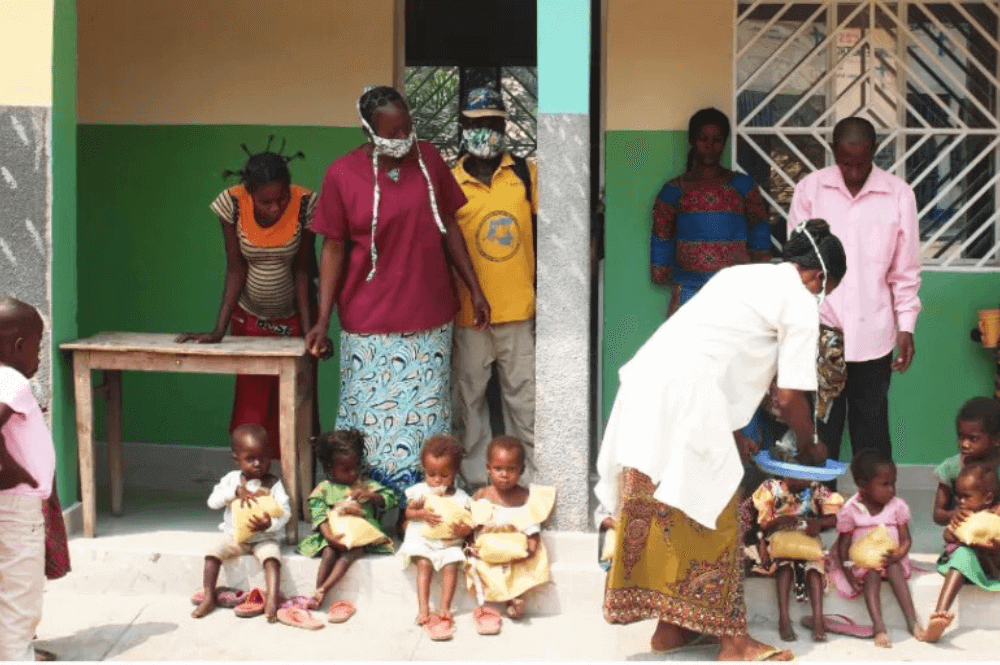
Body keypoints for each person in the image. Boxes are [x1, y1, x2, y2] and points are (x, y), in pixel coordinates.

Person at [595, 219, 847, 661]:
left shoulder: (742, 274)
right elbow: (789, 398)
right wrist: (812, 446)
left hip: (648, 387)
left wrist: (732, 432)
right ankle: (734, 642)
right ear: (819, 276)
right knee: (723, 514)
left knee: (668, 505)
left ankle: (671, 630)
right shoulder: (801, 301)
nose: (825, 297)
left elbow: (714, 350)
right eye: (831, 288)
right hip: (690, 400)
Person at [305, 86, 490, 510]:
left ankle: (424, 509)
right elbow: (332, 248)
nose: (402, 136)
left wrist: (474, 288)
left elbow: (449, 225)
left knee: (426, 420)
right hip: (368, 324)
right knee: (369, 424)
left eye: (407, 127)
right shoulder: (343, 174)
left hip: (429, 319)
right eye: (392, 130)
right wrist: (321, 318)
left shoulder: (428, 160)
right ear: (369, 130)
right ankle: (364, 506)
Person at [788, 116, 922, 468]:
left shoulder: (898, 195)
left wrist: (906, 326)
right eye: (845, 163)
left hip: (874, 335)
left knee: (872, 431)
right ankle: (818, 509)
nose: (851, 173)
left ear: (875, 152)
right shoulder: (810, 190)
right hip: (821, 333)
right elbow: (798, 266)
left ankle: (877, 513)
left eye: (860, 163)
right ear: (833, 152)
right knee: (820, 430)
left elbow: (905, 271)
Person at [177, 140, 317, 460]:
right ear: (249, 191)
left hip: (293, 319)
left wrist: (309, 333)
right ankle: (250, 485)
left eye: (281, 199)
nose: (276, 208)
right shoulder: (232, 204)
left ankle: (291, 491)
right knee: (251, 403)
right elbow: (235, 268)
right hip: (249, 318)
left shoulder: (306, 202)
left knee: (293, 404)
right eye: (266, 202)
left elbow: (303, 270)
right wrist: (218, 331)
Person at [651, 107, 773, 443]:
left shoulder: (743, 187)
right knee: (687, 368)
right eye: (703, 139)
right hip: (689, 289)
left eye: (717, 140)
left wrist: (762, 275)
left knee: (741, 369)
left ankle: (744, 450)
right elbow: (661, 233)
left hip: (737, 294)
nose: (710, 146)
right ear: (692, 141)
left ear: (725, 143)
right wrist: (661, 269)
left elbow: (760, 231)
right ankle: (689, 447)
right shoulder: (673, 191)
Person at [451, 88, 538, 485]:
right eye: (476, 124)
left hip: (519, 309)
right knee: (469, 400)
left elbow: (548, 237)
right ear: (463, 128)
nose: (484, 131)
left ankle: (530, 477)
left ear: (504, 127)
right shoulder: (452, 179)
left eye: (492, 123)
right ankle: (476, 478)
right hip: (469, 314)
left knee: (525, 400)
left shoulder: (525, 174)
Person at [0, 297, 55, 661]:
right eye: (38, 346)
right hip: (16, 507)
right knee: (22, 590)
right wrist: (8, 468)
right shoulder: (14, 381)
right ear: (20, 346)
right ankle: (16, 655)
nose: (38, 356)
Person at [192, 424, 291, 622]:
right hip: (235, 537)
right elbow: (212, 503)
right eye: (250, 459)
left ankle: (271, 599)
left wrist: (269, 523)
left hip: (264, 537)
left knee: (272, 559)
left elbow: (285, 512)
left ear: (270, 456)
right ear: (236, 459)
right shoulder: (231, 480)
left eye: (263, 458)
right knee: (212, 555)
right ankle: (209, 595)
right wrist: (234, 493)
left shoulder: (273, 484)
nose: (257, 464)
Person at [826, 450, 924, 648]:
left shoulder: (897, 506)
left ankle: (913, 622)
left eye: (893, 483)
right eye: (885, 484)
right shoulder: (851, 510)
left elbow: (906, 540)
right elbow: (843, 547)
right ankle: (879, 628)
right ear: (863, 485)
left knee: (894, 568)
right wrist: (848, 572)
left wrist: (899, 553)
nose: (892, 489)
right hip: (864, 565)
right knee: (872, 576)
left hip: (891, 560)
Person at [297, 429, 396, 622]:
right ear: (328, 468)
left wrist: (372, 496)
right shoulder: (324, 489)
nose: (353, 473)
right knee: (328, 552)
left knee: (353, 552)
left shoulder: (364, 485)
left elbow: (390, 499)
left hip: (360, 538)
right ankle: (318, 591)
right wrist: (330, 537)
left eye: (356, 467)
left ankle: (324, 589)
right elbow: (318, 515)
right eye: (346, 469)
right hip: (333, 535)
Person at [465, 436, 555, 632]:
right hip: (489, 545)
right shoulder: (483, 494)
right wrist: (470, 541)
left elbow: (530, 519)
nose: (504, 475)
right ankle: (500, 605)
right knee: (486, 568)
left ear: (521, 471)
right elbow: (474, 520)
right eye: (498, 469)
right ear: (488, 469)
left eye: (511, 469)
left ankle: (514, 600)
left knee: (518, 569)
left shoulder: (523, 496)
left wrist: (532, 541)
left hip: (513, 545)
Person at [750, 477, 843, 642]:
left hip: (807, 540)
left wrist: (818, 523)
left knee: (814, 570)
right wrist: (780, 520)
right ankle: (784, 619)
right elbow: (763, 524)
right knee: (785, 568)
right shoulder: (770, 487)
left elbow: (835, 518)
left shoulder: (816, 488)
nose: (806, 481)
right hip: (778, 539)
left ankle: (818, 619)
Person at [400, 435, 473, 641]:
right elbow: (407, 514)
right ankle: (423, 607)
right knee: (424, 564)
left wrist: (463, 530)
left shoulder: (461, 497)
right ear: (424, 470)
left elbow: (469, 523)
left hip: (448, 543)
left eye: (444, 474)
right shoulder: (421, 492)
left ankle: (445, 608)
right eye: (431, 474)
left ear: (455, 473)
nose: (437, 480)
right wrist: (420, 513)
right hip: (424, 541)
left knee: (451, 566)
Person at [925, 463, 1000, 642]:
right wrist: (960, 535)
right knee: (962, 556)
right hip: (969, 564)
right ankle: (939, 616)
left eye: (966, 497)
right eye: (958, 496)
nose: (960, 501)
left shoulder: (995, 515)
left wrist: (992, 546)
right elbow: (947, 534)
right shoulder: (964, 515)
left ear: (988, 498)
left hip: (992, 565)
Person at [932, 397, 1000, 527]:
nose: (964, 444)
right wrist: (953, 514)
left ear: (997, 439)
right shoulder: (952, 468)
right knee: (956, 546)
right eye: (960, 436)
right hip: (965, 533)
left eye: (973, 438)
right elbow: (938, 514)